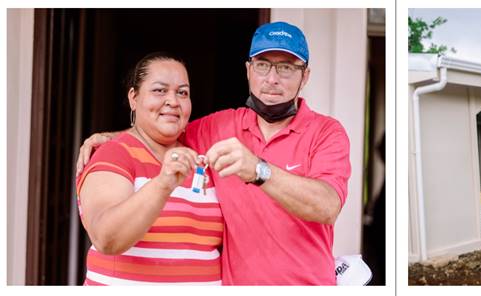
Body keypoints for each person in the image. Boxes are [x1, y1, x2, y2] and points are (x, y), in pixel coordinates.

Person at [77, 21, 351, 285]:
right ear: (248, 70)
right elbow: (165, 126)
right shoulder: (219, 126)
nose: (272, 79)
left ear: (305, 76)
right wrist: (113, 136)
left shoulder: (326, 132)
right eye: (263, 65)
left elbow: (327, 206)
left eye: (286, 68)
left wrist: (259, 170)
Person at [76, 52, 223, 285]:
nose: (173, 101)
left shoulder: (200, 158)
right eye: (160, 90)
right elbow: (106, 238)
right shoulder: (114, 154)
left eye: (182, 92)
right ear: (134, 98)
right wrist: (162, 184)